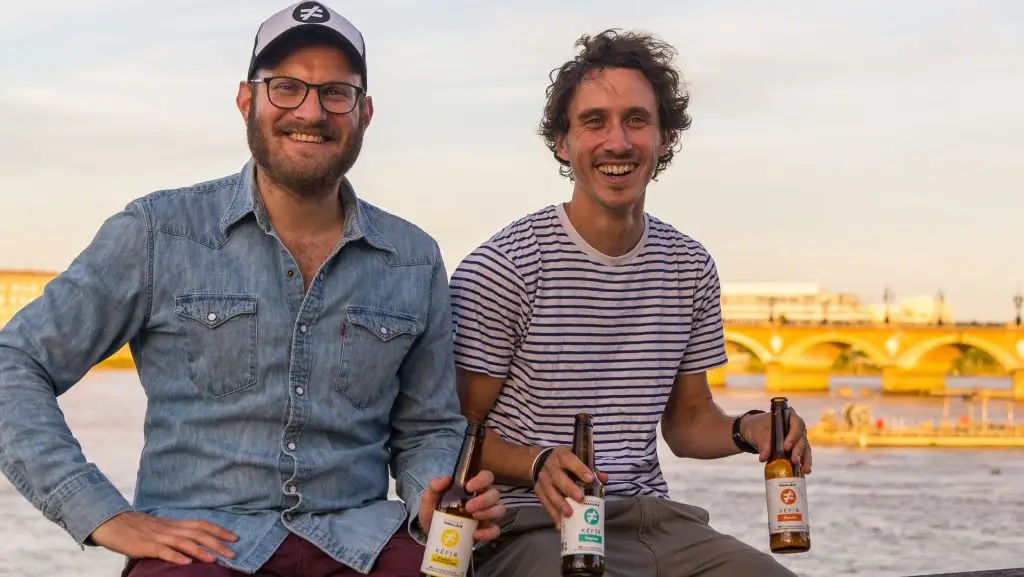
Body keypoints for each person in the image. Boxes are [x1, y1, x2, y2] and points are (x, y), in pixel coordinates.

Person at [0, 2, 504, 576]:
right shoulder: (157, 233)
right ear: (247, 100)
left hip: (366, 543)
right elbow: (15, 362)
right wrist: (98, 513)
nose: (311, 112)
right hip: (200, 548)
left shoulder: (414, 259)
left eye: (336, 93)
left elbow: (428, 428)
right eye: (286, 87)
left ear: (365, 112)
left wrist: (430, 496)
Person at [448, 29, 812, 577]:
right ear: (562, 143)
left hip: (653, 522)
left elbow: (687, 422)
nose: (617, 142)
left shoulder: (689, 266)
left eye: (636, 120)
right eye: (594, 121)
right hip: (533, 528)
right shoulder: (503, 269)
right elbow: (452, 428)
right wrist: (537, 462)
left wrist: (748, 429)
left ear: (664, 139)